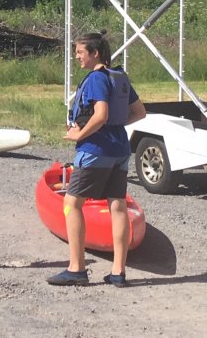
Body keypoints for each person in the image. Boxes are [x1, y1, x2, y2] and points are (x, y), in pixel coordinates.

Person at [50, 32, 147, 287]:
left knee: (72, 203)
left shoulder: (96, 78)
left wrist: (80, 134)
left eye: (80, 52)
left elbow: (101, 114)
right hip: (120, 149)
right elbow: (139, 112)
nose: (77, 57)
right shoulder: (119, 77)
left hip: (96, 151)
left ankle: (77, 269)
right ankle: (118, 272)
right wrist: (115, 126)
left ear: (95, 53)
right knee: (118, 206)